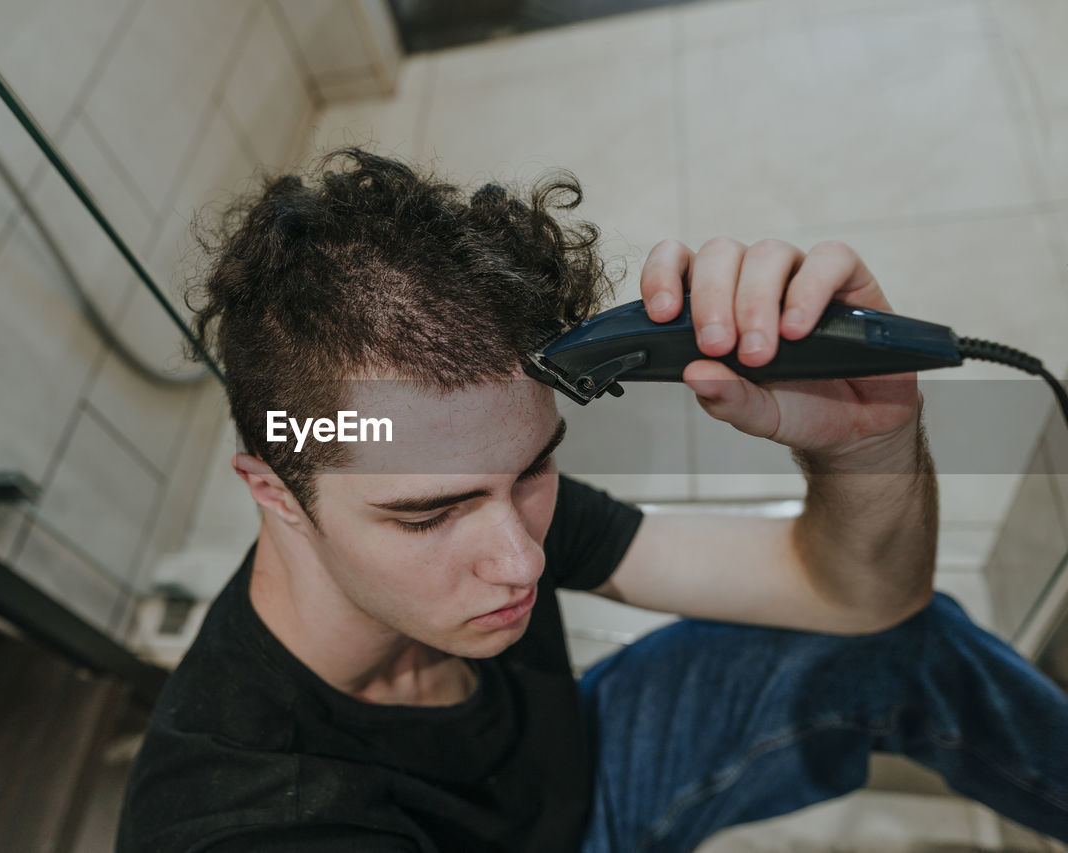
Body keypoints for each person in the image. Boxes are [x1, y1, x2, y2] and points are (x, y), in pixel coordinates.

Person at [115, 149, 1068, 852]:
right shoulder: (243, 818)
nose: (523, 559)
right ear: (275, 487)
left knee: (910, 649)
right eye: (426, 514)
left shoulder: (480, 488)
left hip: (573, 773)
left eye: (532, 471)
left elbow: (864, 601)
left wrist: (871, 447)